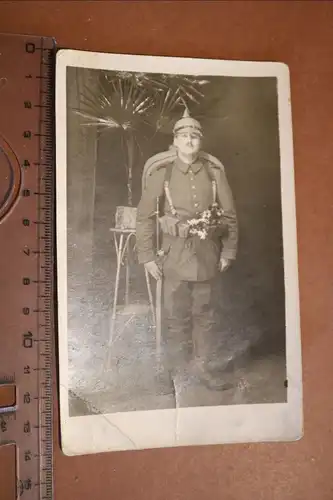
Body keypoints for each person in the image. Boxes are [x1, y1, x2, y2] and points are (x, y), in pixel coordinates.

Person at [136, 109, 238, 390]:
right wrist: (146, 257)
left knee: (205, 315)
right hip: (173, 258)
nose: (190, 141)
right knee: (175, 316)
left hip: (207, 256)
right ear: (176, 141)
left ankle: (203, 368)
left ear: (200, 141)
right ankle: (177, 374)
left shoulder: (214, 173)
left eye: (195, 136)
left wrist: (228, 251)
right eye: (184, 136)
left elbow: (229, 216)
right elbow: (144, 217)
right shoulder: (162, 174)